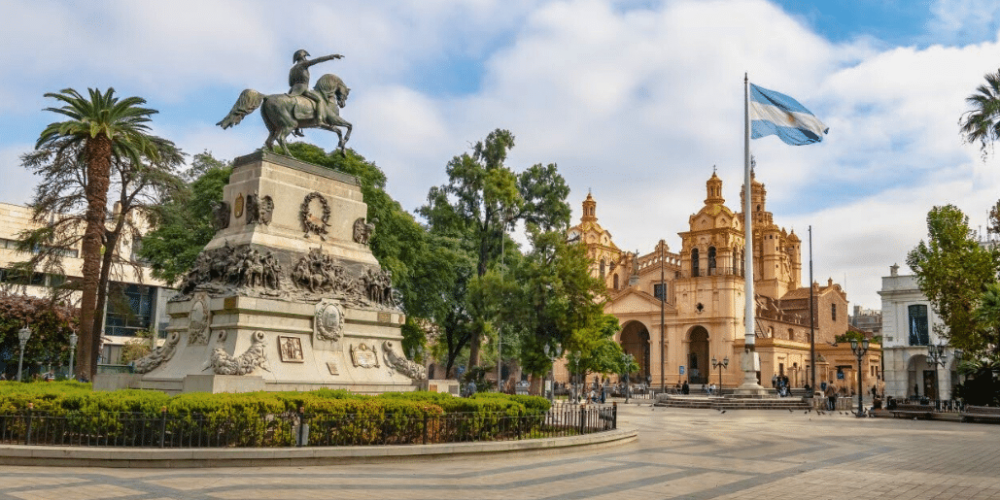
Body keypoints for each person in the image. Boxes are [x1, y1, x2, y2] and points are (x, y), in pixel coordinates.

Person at [287, 49, 344, 132]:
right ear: (303, 57)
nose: (306, 59)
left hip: (292, 90)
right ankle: (320, 120)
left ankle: (297, 127)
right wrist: (332, 56)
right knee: (320, 100)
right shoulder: (304, 64)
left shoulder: (292, 70)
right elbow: (318, 60)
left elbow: (290, 83)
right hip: (302, 88)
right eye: (305, 57)